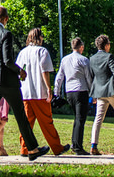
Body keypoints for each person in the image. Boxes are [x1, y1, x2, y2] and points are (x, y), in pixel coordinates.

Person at [0, 6, 50, 163]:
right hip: (7, 81)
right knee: (20, 115)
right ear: (6, 19)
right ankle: (32, 149)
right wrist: (20, 71)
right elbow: (7, 61)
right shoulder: (5, 34)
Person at [14, 28, 69, 157]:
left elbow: (17, 70)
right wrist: (49, 88)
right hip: (39, 92)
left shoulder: (23, 52)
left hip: (25, 92)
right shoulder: (42, 51)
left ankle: (25, 148)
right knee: (46, 121)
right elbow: (45, 70)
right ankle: (57, 147)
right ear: (39, 38)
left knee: (26, 122)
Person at [88, 34, 114, 155]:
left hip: (100, 93)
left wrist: (93, 94)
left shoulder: (92, 58)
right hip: (112, 92)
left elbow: (92, 77)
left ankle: (93, 145)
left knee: (98, 118)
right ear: (106, 45)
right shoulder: (109, 57)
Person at [54, 36, 92, 154]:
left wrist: (57, 92)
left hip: (69, 92)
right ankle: (77, 146)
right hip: (81, 90)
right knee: (80, 119)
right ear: (81, 47)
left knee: (77, 117)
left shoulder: (65, 60)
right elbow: (88, 77)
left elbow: (59, 77)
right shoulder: (84, 60)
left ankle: (75, 143)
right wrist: (92, 91)